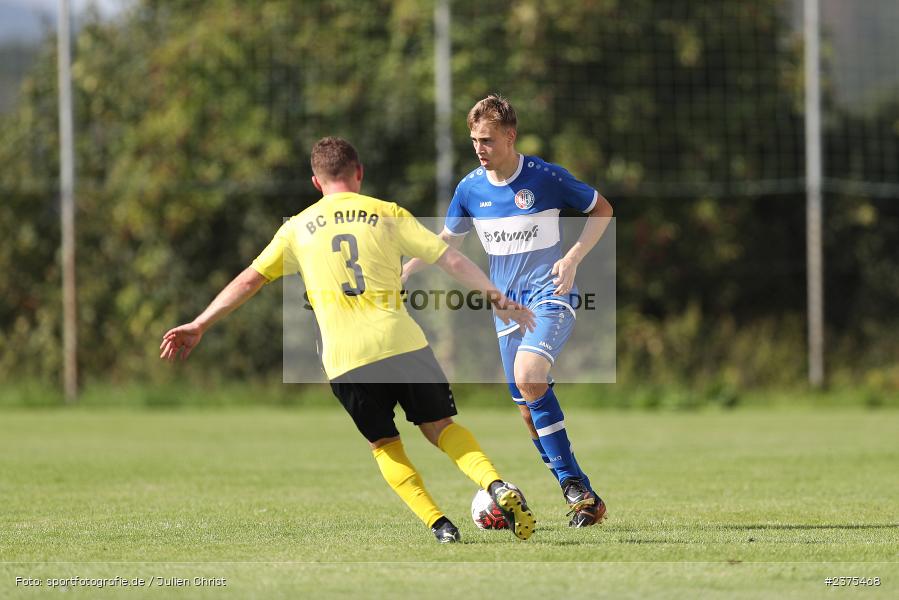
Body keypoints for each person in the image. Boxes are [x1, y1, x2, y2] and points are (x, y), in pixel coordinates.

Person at [159, 137, 537, 543]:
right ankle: (495, 485)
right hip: (402, 342)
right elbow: (449, 258)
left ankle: (440, 526)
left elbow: (250, 279)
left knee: (385, 444)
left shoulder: (296, 228)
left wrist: (199, 323)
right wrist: (496, 296)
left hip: (346, 358)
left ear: (316, 182)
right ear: (359, 173)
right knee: (441, 426)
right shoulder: (385, 212)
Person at [403, 95, 614, 527]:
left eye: (487, 139)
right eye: (474, 140)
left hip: (548, 296)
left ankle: (575, 489)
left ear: (510, 136)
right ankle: (580, 492)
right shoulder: (469, 189)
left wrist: (572, 258)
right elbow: (447, 240)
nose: (479, 148)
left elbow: (602, 209)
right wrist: (405, 271)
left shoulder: (546, 177)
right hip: (505, 311)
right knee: (525, 404)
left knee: (529, 375)